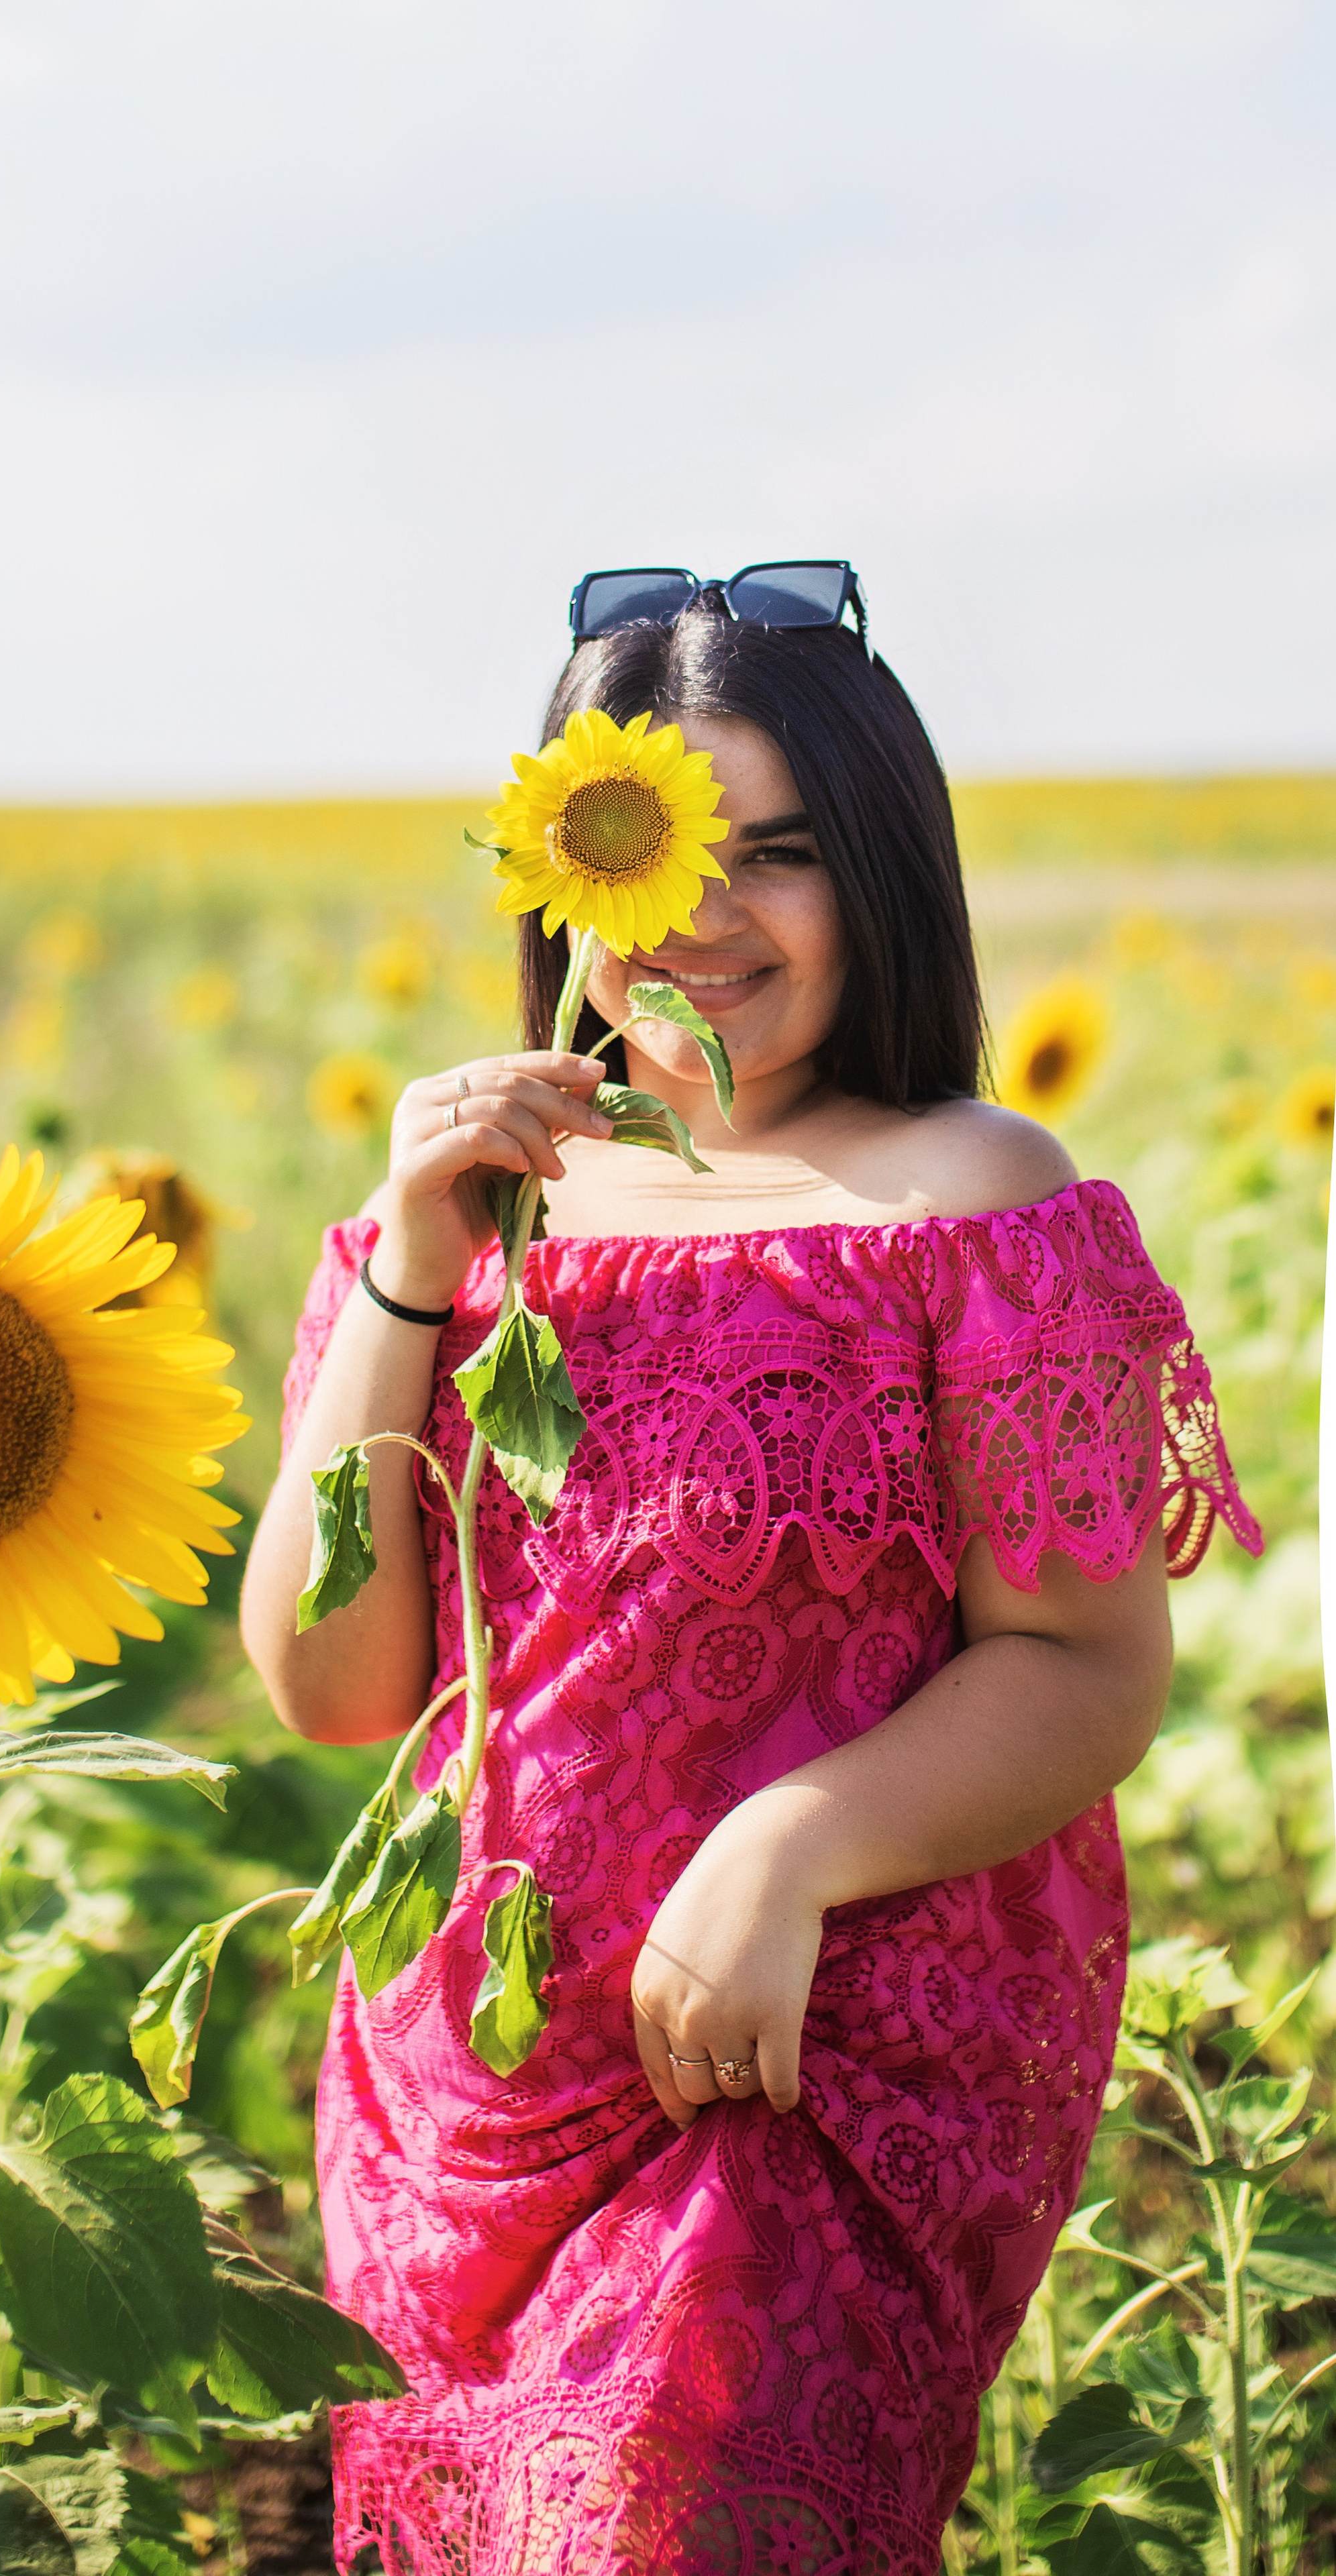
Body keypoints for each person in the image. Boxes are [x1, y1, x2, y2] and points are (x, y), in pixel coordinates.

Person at [240, 585, 1261, 2576]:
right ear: (560, 882)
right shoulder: (464, 1222)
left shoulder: (976, 1201)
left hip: (800, 2069)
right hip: (469, 2099)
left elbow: (1082, 1664)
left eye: (775, 852)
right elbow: (335, 1683)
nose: (702, 915)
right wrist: (409, 1268)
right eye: (642, 850)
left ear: (878, 871)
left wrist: (787, 1848)